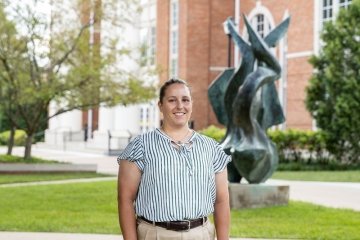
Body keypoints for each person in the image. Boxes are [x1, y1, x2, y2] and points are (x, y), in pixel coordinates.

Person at [117, 78, 232, 240]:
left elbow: (221, 201)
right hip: (154, 234)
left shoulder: (212, 148)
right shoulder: (140, 146)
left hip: (201, 234)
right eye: (172, 100)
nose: (180, 106)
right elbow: (125, 199)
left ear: (191, 104)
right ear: (160, 106)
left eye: (185, 100)